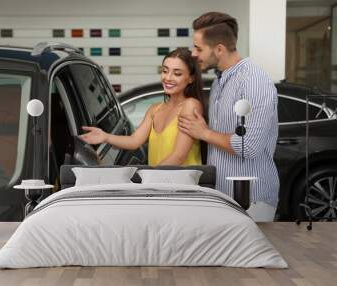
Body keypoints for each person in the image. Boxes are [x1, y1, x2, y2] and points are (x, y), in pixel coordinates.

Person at [178, 12, 279, 221]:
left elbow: (248, 146)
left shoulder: (253, 81)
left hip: (252, 200)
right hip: (224, 197)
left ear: (219, 49)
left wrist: (203, 132)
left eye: (198, 48)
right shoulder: (220, 81)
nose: (194, 54)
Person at [80, 48, 203, 166]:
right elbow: (135, 141)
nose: (168, 78)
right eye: (165, 71)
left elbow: (178, 156)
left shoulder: (190, 105)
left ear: (191, 78)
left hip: (182, 185)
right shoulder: (155, 109)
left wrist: (149, 178)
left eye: (177, 73)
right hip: (159, 184)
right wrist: (105, 136)